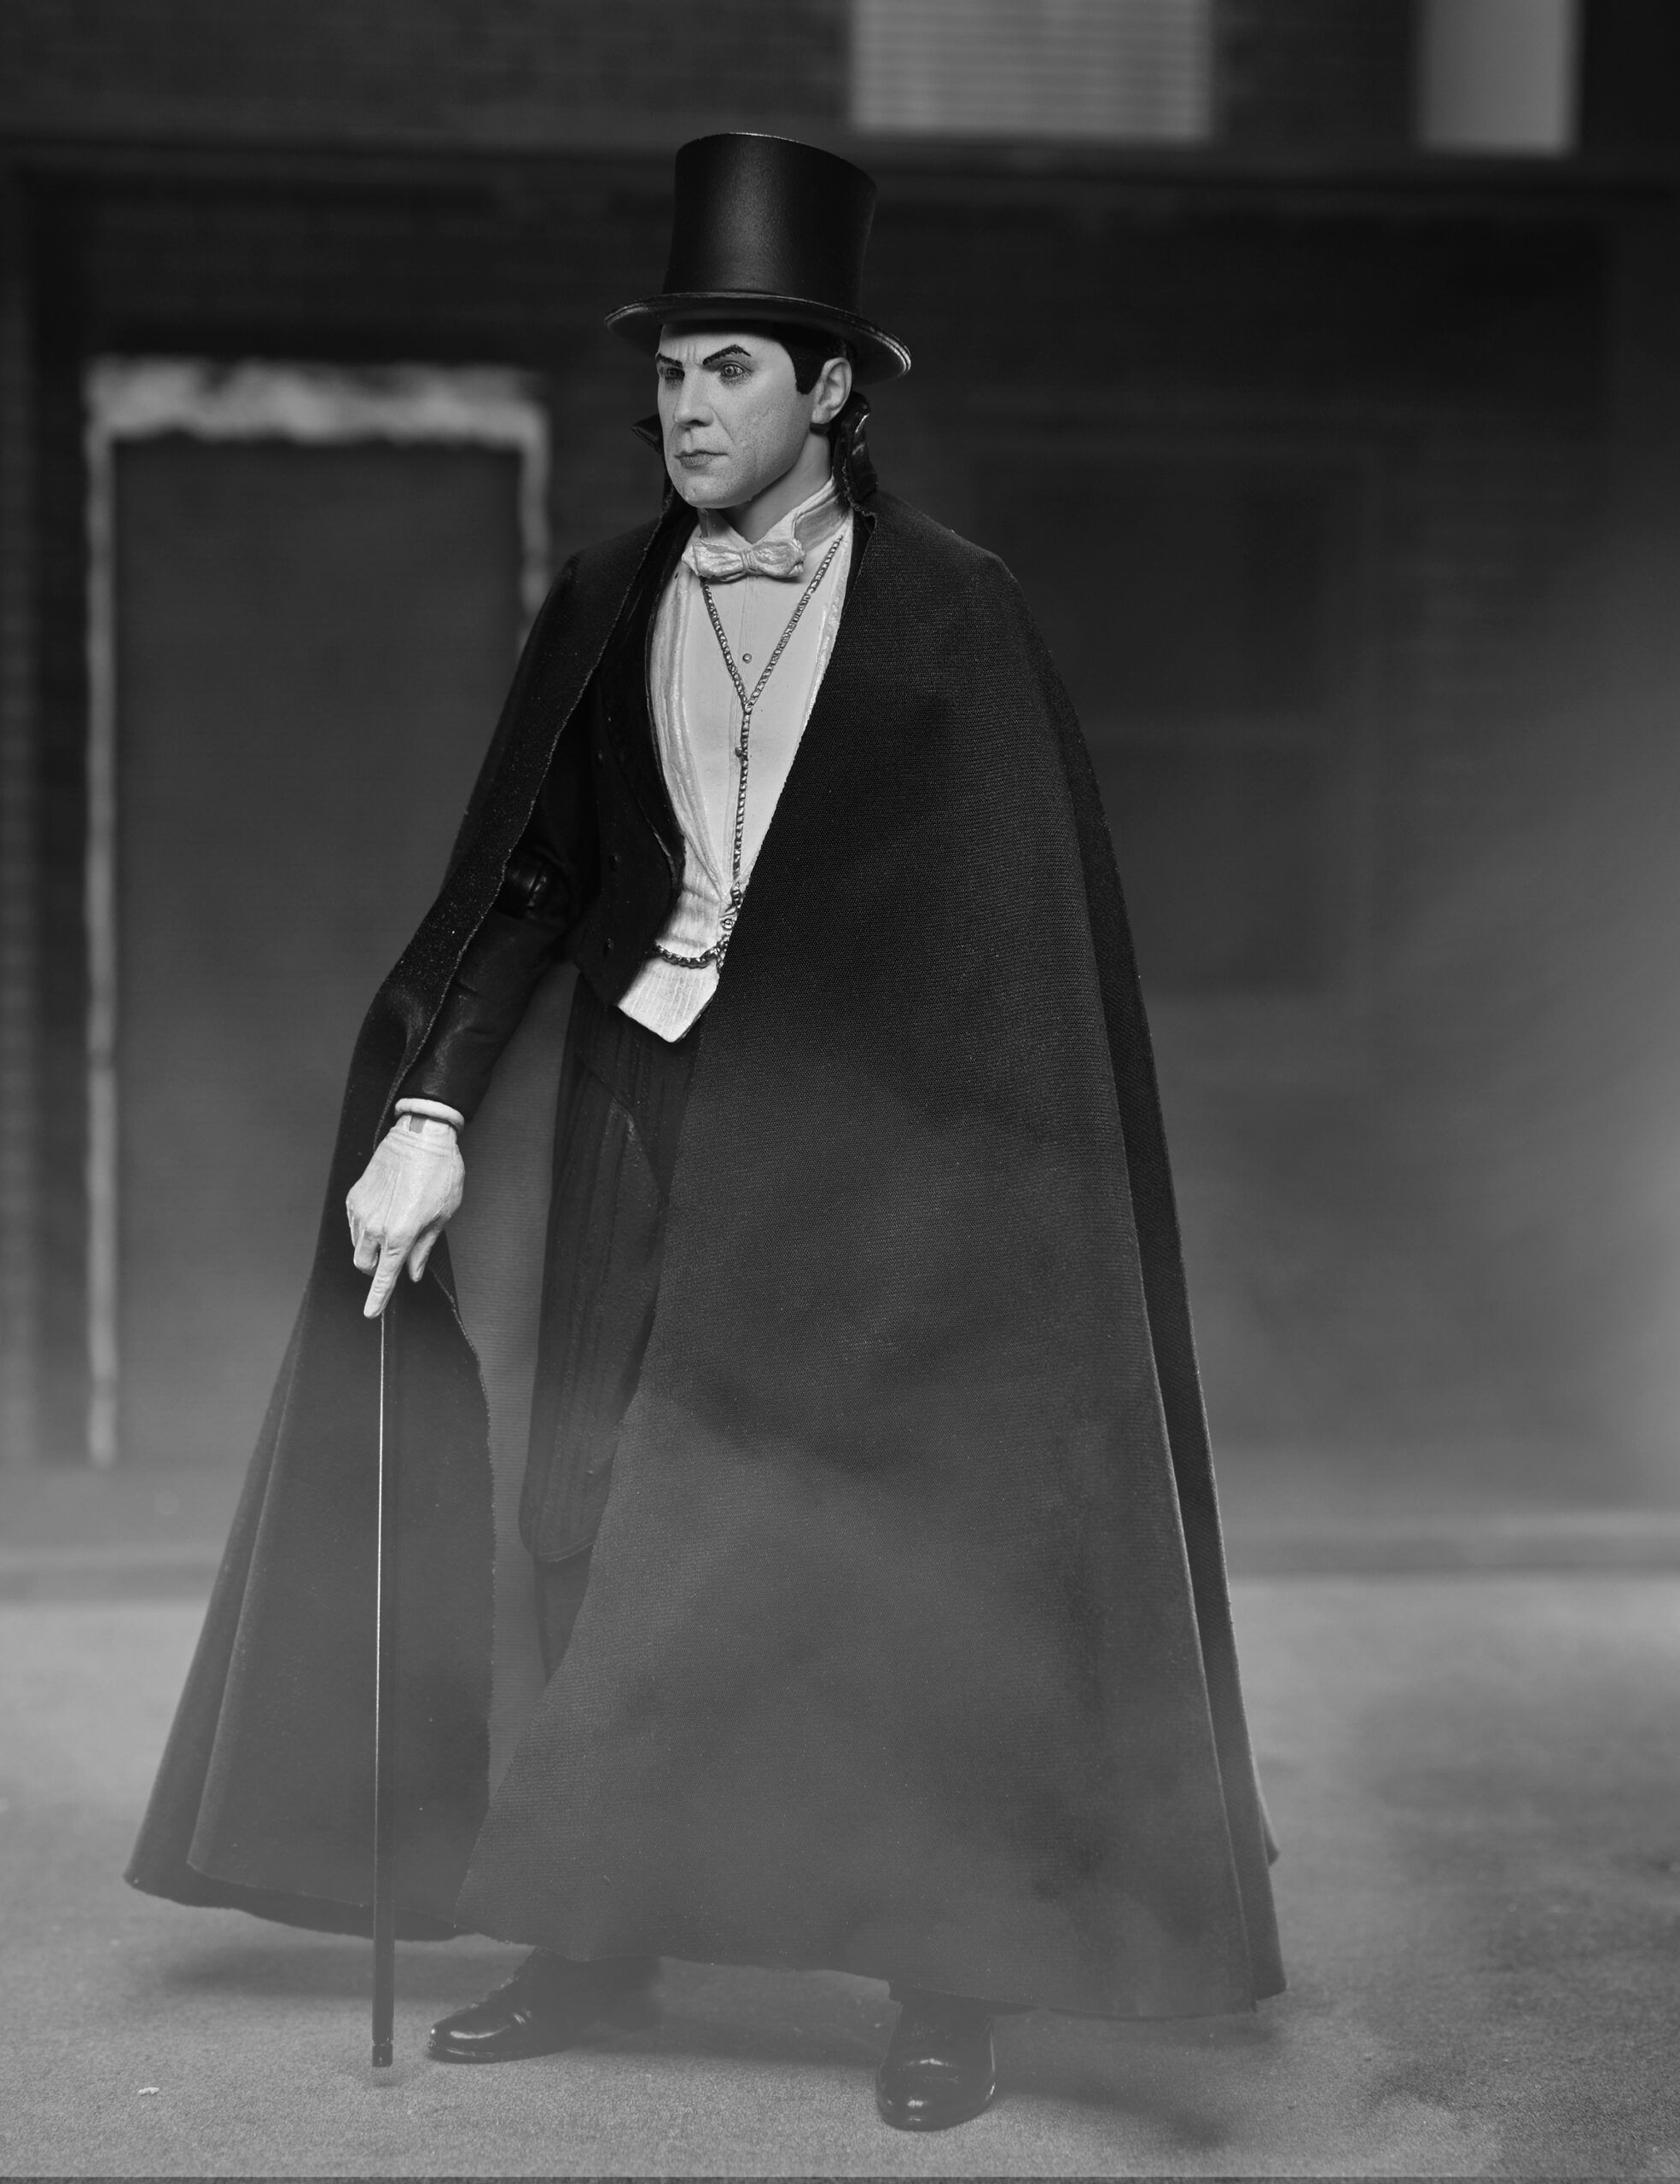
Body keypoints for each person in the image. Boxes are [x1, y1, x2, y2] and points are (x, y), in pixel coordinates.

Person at [129, 131, 1282, 2134]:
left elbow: (1009, 943)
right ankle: (593, 1929)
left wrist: (980, 1208)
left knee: (903, 1545)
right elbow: (522, 881)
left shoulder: (955, 612)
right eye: (668, 370)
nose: (685, 406)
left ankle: (945, 1975)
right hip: (640, 1109)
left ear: (828, 387)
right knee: (587, 1505)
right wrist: (428, 1104)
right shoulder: (604, 598)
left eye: (728, 367)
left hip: (883, 1164)